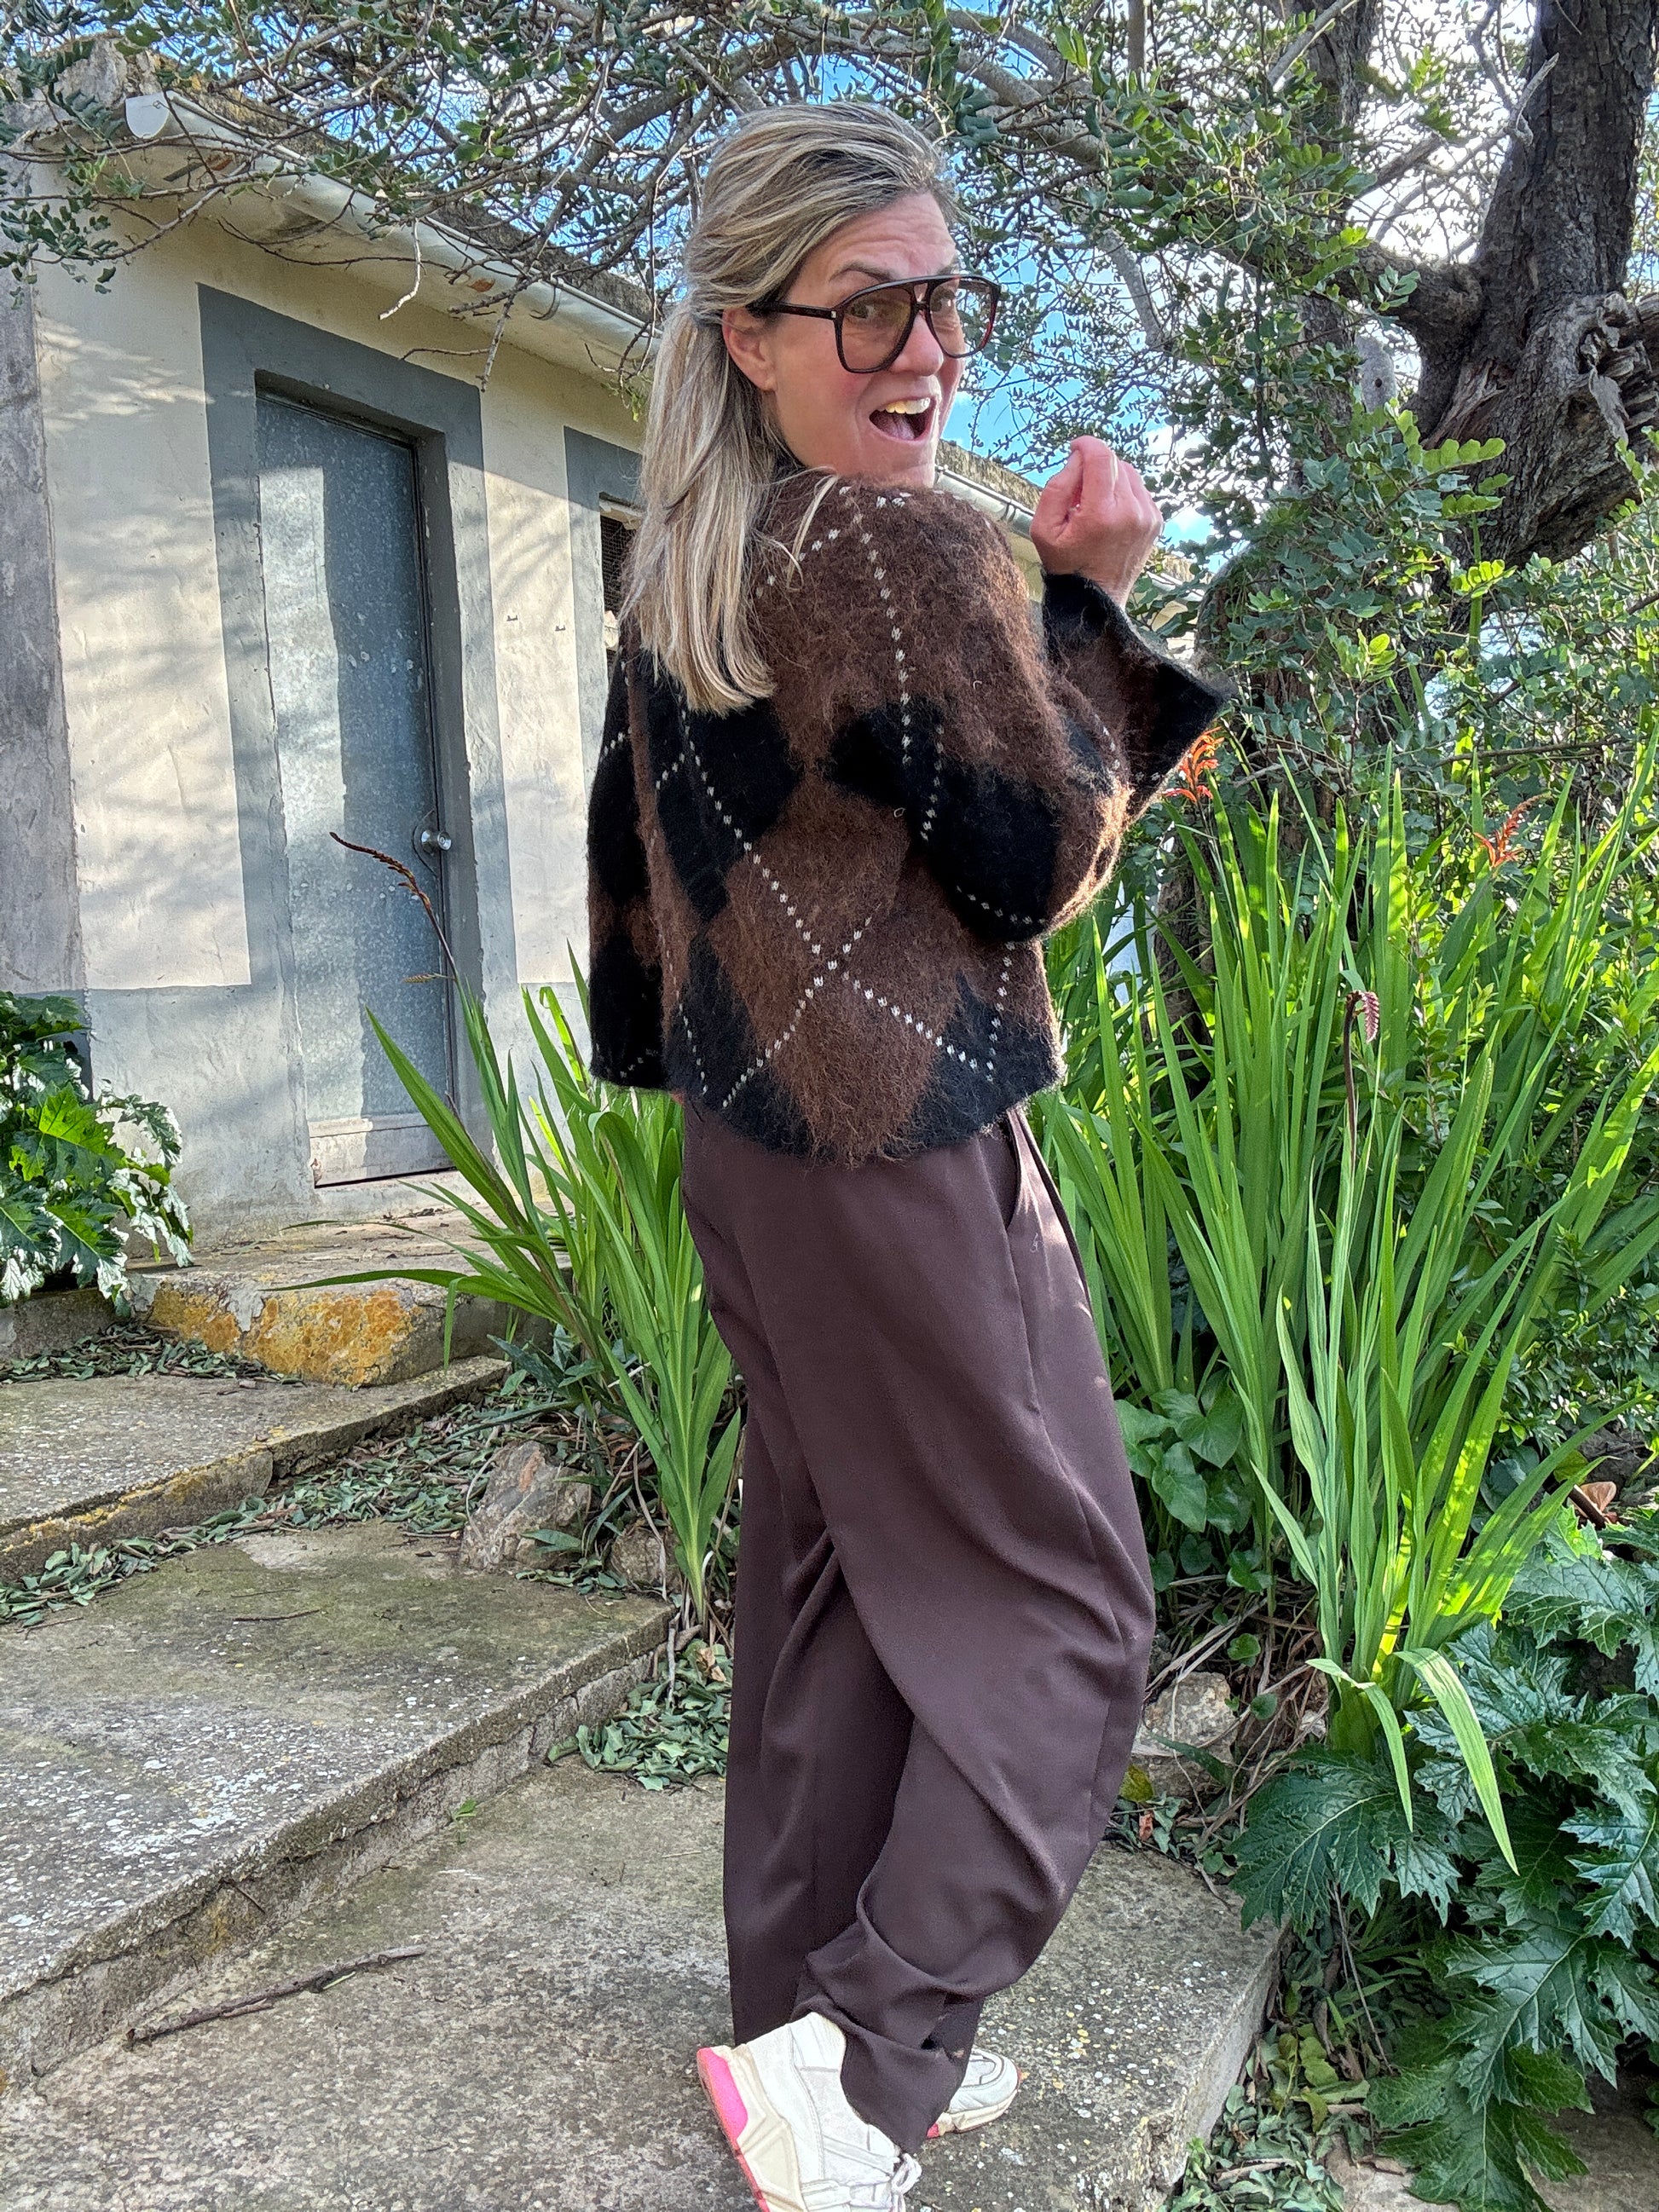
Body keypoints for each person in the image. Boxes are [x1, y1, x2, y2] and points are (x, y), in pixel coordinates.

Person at [585, 99, 1227, 2212]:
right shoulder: (901, 543)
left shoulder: (686, 564)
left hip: (757, 1155)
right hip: (895, 1149)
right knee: (1064, 1611)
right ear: (752, 332)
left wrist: (720, 1083)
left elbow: (630, 894)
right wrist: (1088, 601)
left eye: (943, 298)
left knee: (840, 1592)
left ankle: (815, 2037)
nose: (925, 346)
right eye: (869, 306)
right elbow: (1033, 861)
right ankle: (867, 2061)